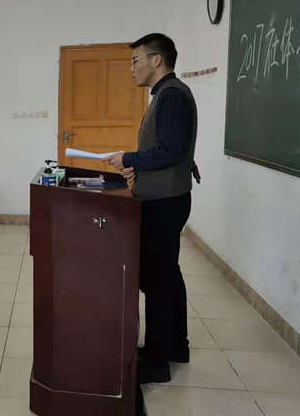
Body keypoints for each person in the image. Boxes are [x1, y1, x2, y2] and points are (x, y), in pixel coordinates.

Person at [104, 33, 199, 384]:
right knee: (168, 275)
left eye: (135, 60)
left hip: (164, 202)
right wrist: (138, 168)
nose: (131, 68)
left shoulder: (171, 95)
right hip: (167, 196)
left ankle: (157, 363)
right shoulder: (166, 93)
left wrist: (130, 159)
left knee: (157, 280)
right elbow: (168, 151)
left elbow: (171, 151)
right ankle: (175, 346)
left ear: (156, 60)